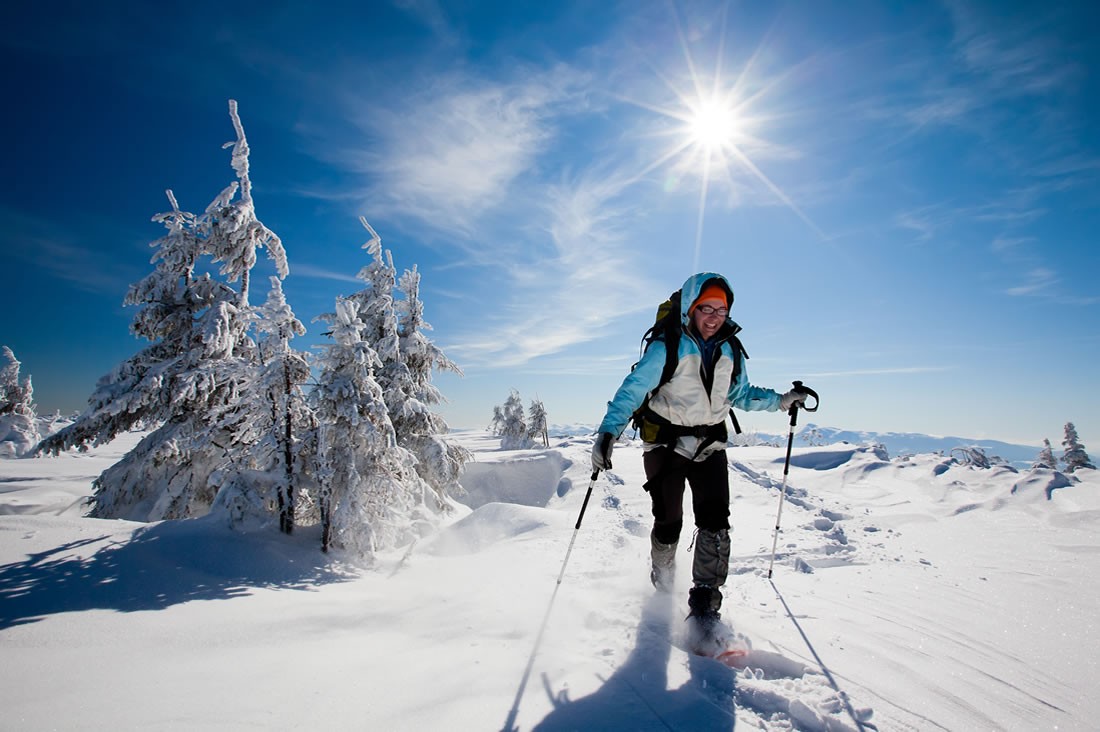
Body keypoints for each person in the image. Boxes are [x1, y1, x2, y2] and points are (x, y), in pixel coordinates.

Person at [591, 272, 812, 628]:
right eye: (705, 308)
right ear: (691, 308)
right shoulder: (667, 347)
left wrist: (782, 401)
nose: (713, 317)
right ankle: (663, 582)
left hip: (710, 443)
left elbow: (739, 394)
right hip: (666, 444)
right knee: (669, 522)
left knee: (715, 524)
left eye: (720, 310)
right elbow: (632, 391)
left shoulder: (730, 349)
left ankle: (706, 604)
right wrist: (608, 432)